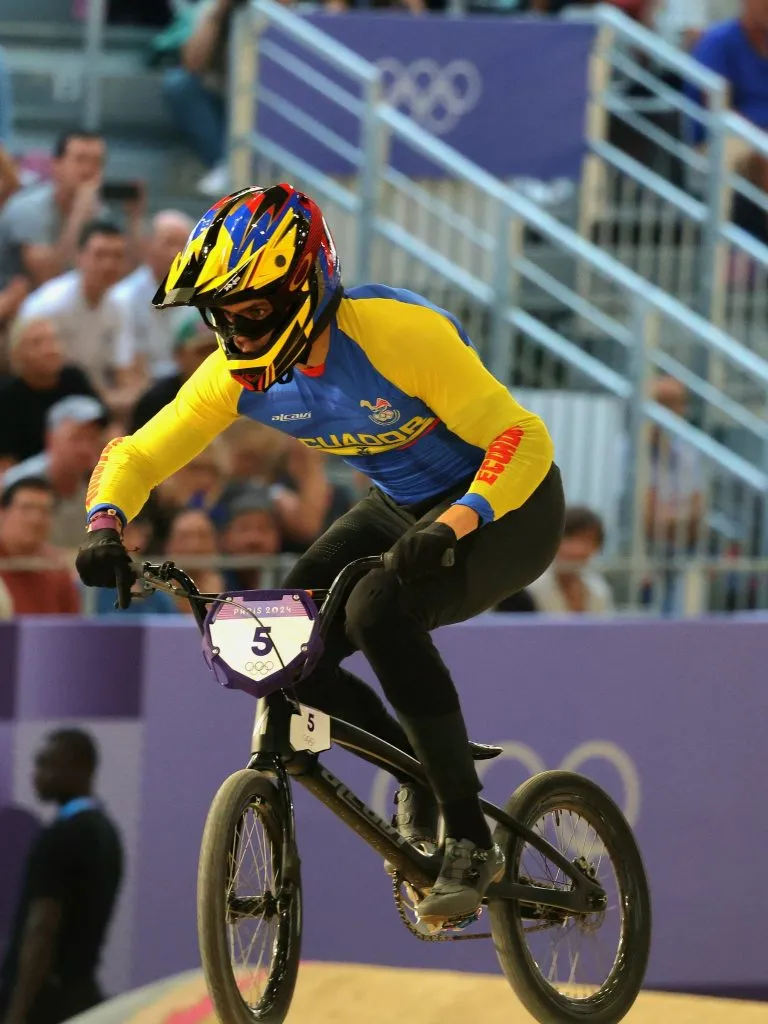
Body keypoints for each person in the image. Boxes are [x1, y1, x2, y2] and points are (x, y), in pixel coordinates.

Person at [75, 183, 564, 926]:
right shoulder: (234, 375)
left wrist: (456, 523)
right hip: (400, 506)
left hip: (507, 506)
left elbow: (522, 439)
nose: (235, 334)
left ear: (303, 289)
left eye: (252, 313)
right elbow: (139, 454)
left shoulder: (398, 335)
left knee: (377, 608)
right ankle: (424, 770)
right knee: (280, 639)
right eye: (221, 318)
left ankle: (470, 837)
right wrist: (105, 524)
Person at [0, 729, 123, 1024]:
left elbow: (41, 931)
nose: (37, 775)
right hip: (79, 1000)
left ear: (81, 766)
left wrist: (16, 1014)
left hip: (44, 1004)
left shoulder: (61, 836)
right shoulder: (106, 833)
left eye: (47, 764)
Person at [17, 220, 136, 400]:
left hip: (98, 398)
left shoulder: (120, 304)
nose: (109, 264)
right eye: (100, 255)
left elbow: (123, 370)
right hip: (47, 396)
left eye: (117, 256)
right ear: (80, 257)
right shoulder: (49, 303)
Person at [3, 395, 108, 552]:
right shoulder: (14, 483)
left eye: (92, 439)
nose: (85, 448)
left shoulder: (101, 488)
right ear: (50, 438)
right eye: (77, 438)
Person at [0, 317, 99, 470]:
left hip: (85, 474)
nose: (50, 350)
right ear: (17, 354)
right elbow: (5, 466)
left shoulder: (74, 379)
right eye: (37, 343)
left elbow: (107, 428)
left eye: (53, 340)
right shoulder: (7, 398)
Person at [111, 210, 196, 381]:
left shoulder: (200, 295)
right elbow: (129, 364)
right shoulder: (124, 298)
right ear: (147, 245)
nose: (176, 253)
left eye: (183, 245)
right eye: (169, 243)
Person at [163, 0, 231, 198]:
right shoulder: (211, 8)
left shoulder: (295, 10)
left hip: (268, 97)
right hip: (221, 97)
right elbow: (191, 63)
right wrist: (218, 14)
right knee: (179, 85)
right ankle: (224, 164)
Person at [0, 477, 80, 615]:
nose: (36, 519)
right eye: (26, 508)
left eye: (45, 511)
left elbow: (70, 630)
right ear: (3, 513)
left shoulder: (57, 570)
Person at [128, 311, 218, 431]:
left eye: (215, 350)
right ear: (179, 355)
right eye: (202, 352)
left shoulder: (241, 389)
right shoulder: (157, 401)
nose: (210, 358)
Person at [526, 506, 614, 614]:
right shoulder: (528, 589)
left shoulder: (599, 591)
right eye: (569, 538)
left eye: (586, 540)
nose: (576, 549)